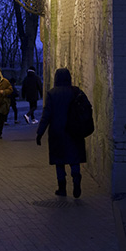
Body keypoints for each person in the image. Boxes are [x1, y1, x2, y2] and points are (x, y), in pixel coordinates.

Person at [35, 67, 88, 198]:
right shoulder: (76, 91)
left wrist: (40, 133)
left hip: (57, 132)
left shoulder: (52, 93)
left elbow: (46, 115)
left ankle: (62, 188)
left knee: (59, 160)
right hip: (74, 131)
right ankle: (76, 178)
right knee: (74, 158)